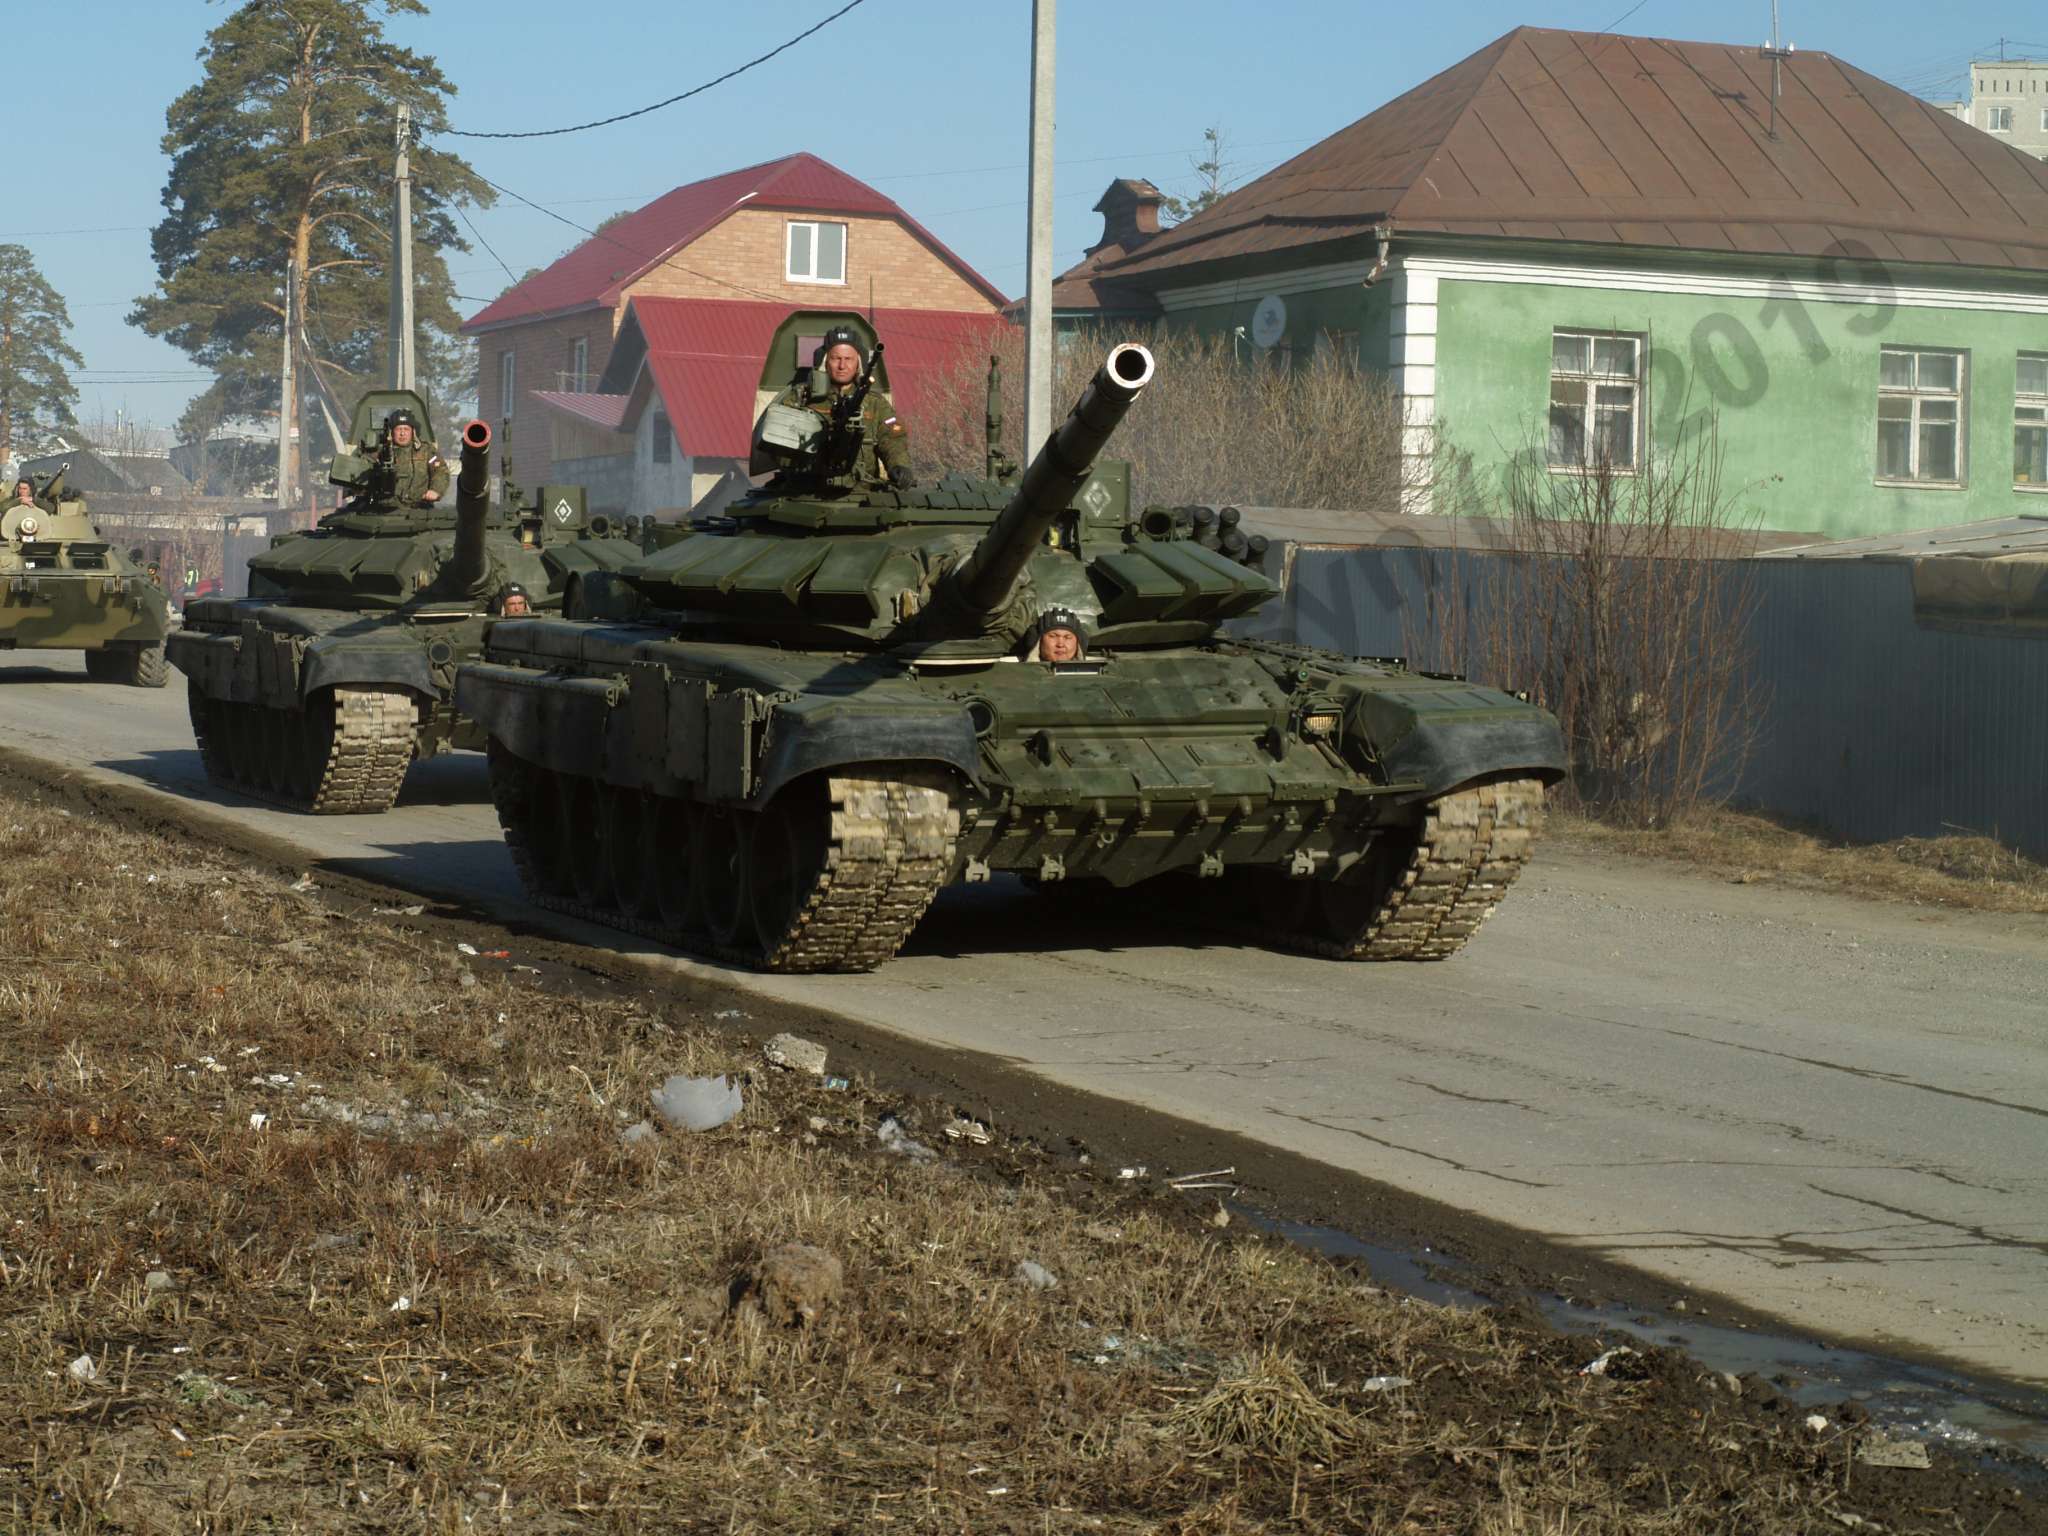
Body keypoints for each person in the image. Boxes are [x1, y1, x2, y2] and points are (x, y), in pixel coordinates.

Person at [773, 326, 916, 490]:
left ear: (858, 363)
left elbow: (892, 440)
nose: (842, 365)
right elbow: (778, 443)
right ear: (825, 361)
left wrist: (899, 466)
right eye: (836, 358)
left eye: (848, 359)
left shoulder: (875, 403)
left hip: (862, 495)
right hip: (805, 493)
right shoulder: (800, 398)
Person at [381, 409, 448, 508]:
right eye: (399, 429)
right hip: (385, 510)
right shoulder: (381, 452)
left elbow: (440, 471)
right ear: (391, 432)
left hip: (420, 509)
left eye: (406, 429)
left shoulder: (426, 450)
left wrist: (436, 490)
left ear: (413, 431)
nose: (402, 433)